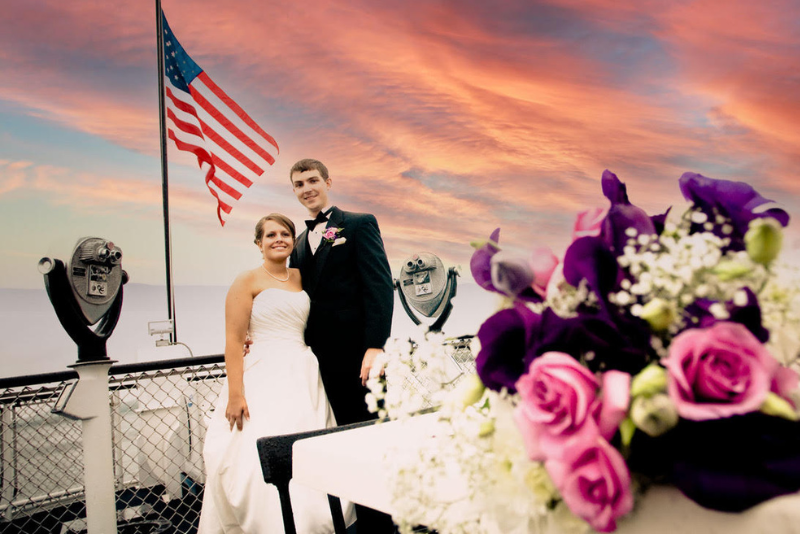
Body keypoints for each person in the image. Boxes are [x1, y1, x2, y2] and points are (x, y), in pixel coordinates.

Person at [199, 213, 353, 534]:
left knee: (311, 446)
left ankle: (316, 520)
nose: (278, 239)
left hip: (304, 373)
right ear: (259, 243)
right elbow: (234, 340)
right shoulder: (247, 281)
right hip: (263, 376)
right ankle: (273, 524)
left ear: (292, 241)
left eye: (285, 234)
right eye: (270, 235)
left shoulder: (302, 278)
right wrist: (235, 394)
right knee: (263, 453)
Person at [288, 159, 396, 533]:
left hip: (361, 358)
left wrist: (375, 346)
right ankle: (365, 525)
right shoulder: (299, 244)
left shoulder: (358, 223)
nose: (307, 188)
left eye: (312, 180)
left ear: (328, 181)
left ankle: (391, 524)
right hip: (321, 364)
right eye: (299, 184)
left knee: (374, 440)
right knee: (344, 446)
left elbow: (380, 287)